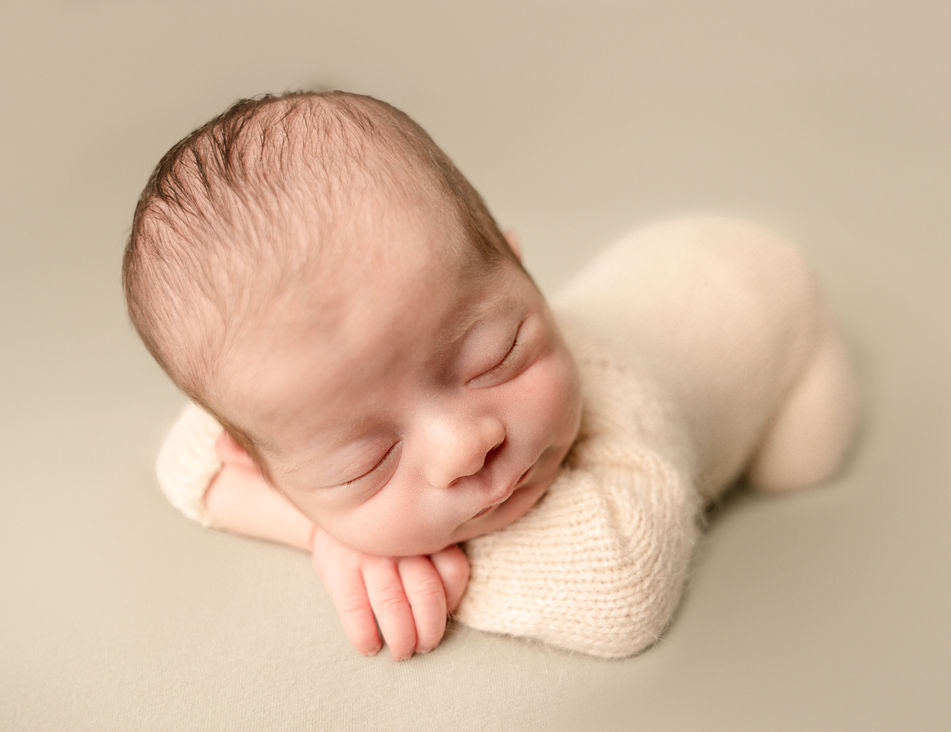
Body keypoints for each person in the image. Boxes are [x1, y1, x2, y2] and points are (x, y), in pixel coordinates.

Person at [123, 90, 860, 660]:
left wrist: (375, 531)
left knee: (797, 467)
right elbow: (185, 454)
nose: (465, 445)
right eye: (367, 459)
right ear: (249, 454)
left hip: (773, 305)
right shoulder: (282, 419)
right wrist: (321, 534)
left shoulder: (623, 402)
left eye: (493, 355)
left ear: (520, 267)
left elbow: (622, 588)